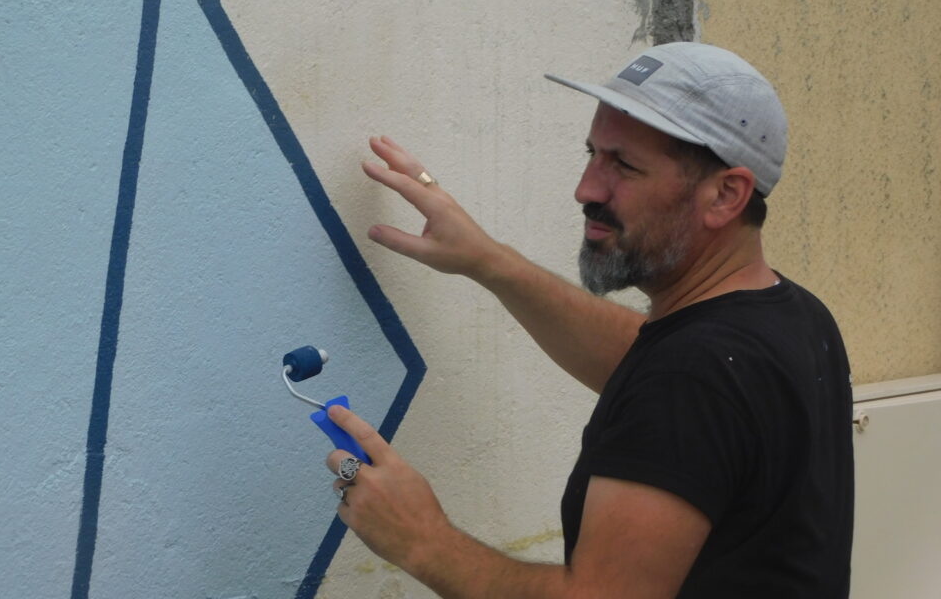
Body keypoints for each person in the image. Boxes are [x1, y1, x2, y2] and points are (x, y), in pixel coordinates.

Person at [324, 42, 854, 598]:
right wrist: (489, 260)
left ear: (725, 195)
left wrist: (424, 542)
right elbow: (648, 359)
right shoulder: (792, 318)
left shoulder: (692, 376)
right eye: (592, 154)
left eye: (623, 165)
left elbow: (678, 383)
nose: (587, 189)